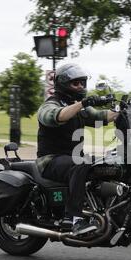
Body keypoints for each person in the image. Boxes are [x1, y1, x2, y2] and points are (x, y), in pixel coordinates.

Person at [36, 63, 118, 236]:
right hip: (50, 160)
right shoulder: (50, 105)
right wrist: (82, 104)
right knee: (81, 163)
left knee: (107, 162)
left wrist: (122, 109)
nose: (80, 86)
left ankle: (105, 211)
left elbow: (101, 117)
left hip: (72, 158)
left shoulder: (78, 106)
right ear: (62, 83)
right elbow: (57, 116)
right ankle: (74, 219)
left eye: (82, 83)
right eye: (76, 83)